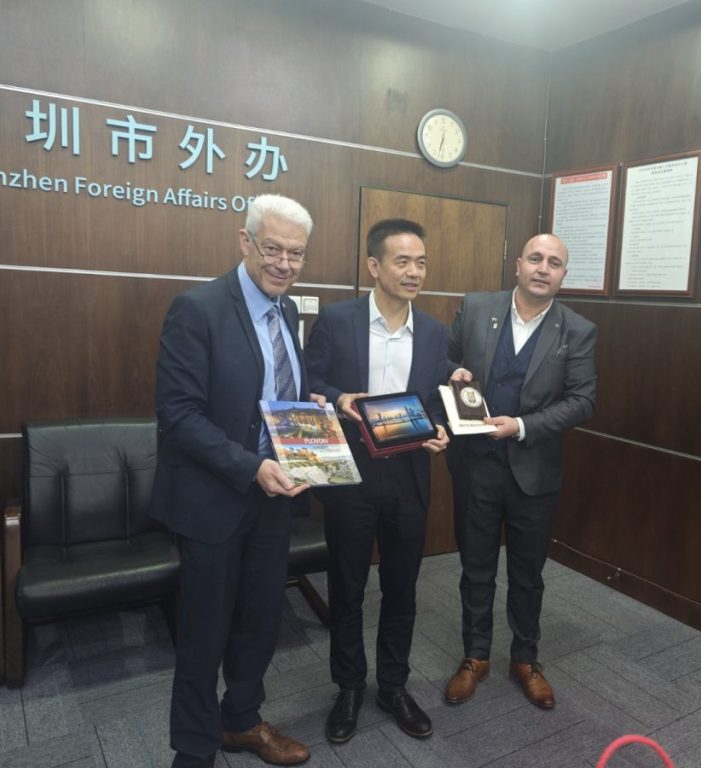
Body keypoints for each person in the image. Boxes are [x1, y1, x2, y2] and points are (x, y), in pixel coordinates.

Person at [150, 194, 320, 768]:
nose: (284, 263)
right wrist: (251, 466)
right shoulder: (197, 309)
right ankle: (194, 749)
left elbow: (272, 395)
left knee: (260, 619)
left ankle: (242, 720)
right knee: (204, 632)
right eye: (273, 248)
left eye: (296, 253)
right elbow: (178, 415)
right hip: (213, 499)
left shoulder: (287, 311)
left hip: (274, 498)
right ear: (245, 241)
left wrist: (311, 410)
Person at [305, 218, 449, 744]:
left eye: (421, 263)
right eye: (402, 261)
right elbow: (307, 379)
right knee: (347, 587)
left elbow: (435, 400)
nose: (414, 272)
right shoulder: (338, 320)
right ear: (374, 265)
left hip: (409, 476)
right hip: (350, 474)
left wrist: (440, 427)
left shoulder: (434, 331)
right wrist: (340, 398)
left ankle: (393, 686)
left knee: (402, 587)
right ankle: (348, 687)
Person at [443, 233, 597, 710]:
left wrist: (523, 426)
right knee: (476, 568)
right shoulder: (476, 308)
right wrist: (453, 374)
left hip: (535, 472)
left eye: (554, 262)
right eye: (535, 258)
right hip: (477, 466)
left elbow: (583, 400)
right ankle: (475, 656)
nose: (543, 268)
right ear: (518, 264)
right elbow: (443, 358)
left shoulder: (578, 330)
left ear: (563, 275)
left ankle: (525, 659)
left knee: (528, 574)